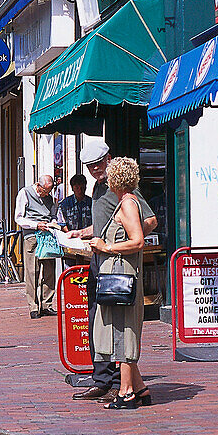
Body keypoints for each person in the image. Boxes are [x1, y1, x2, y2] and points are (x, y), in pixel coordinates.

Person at [68, 140, 157, 403]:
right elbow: (105, 225)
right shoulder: (98, 188)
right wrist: (82, 234)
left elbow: (146, 223)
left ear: (109, 159)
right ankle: (116, 382)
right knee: (100, 320)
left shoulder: (124, 192)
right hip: (100, 260)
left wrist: (115, 247)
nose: (95, 170)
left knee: (120, 324)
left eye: (98, 164)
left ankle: (119, 385)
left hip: (116, 264)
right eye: (89, 166)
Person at [89, 157, 148, 409]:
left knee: (122, 332)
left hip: (121, 276)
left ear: (115, 179)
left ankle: (126, 393)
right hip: (120, 271)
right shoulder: (127, 202)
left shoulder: (127, 204)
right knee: (120, 329)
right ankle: (141, 389)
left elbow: (137, 241)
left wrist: (107, 246)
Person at [15, 175, 61, 319]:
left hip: (47, 236)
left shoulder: (50, 197)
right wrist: (35, 225)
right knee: (32, 271)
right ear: (38, 185)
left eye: (48, 191)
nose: (46, 194)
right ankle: (33, 306)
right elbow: (18, 217)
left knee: (49, 271)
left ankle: (46, 304)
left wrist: (52, 223)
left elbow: (53, 214)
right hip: (32, 236)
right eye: (44, 191)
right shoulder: (25, 193)